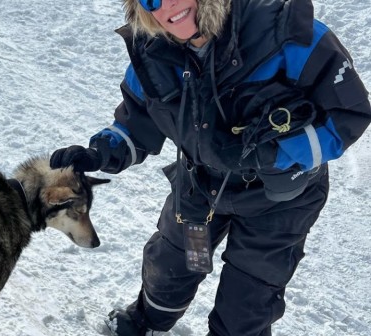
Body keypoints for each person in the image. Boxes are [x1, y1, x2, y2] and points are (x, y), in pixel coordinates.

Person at [50, 0, 371, 335]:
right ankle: (148, 322)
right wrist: (98, 153)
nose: (169, 3)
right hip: (200, 188)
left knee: (248, 300)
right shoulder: (152, 50)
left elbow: (348, 114)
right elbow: (137, 121)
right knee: (173, 264)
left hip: (280, 199)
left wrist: (272, 154)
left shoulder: (288, 33)